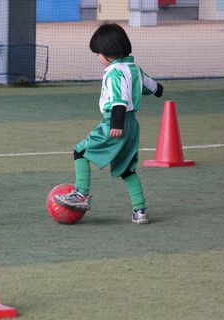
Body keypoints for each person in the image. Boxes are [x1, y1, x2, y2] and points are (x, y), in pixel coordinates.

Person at [54, 22, 163, 224]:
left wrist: (116, 125)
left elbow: (119, 101)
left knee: (80, 151)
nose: (98, 58)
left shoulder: (114, 73)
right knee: (128, 169)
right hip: (133, 127)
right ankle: (140, 211)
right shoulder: (135, 69)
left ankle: (81, 194)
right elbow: (156, 88)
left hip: (115, 122)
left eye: (98, 54)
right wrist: (155, 90)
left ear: (107, 53)